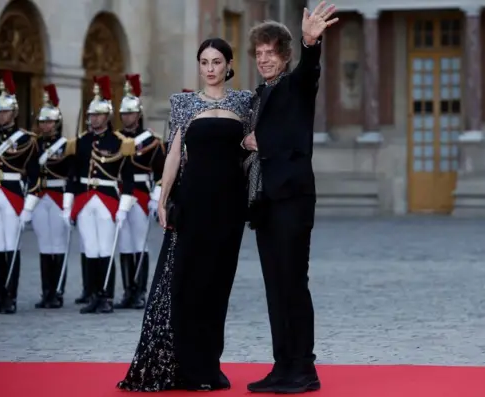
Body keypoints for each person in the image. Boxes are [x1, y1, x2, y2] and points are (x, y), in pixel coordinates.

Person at [117, 37, 251, 392]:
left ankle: (209, 366)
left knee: (217, 287)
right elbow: (174, 154)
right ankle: (187, 368)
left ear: (228, 64)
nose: (210, 68)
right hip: (193, 204)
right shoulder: (183, 103)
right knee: (187, 284)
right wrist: (162, 199)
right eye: (204, 62)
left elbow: (252, 148)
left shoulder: (245, 101)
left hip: (230, 206)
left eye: (217, 62)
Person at [241, 2, 338, 393]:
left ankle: (304, 369)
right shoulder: (259, 95)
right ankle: (282, 367)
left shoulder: (294, 86)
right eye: (259, 54)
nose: (264, 59)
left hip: (293, 201)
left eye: (271, 53)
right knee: (275, 286)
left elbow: (309, 72)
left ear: (285, 56)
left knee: (293, 283)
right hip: (266, 203)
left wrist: (311, 42)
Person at [62, 75, 136, 314]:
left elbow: (128, 177)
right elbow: (72, 175)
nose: (94, 119)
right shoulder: (80, 142)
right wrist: (67, 205)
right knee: (91, 248)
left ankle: (106, 296)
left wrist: (124, 207)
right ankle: (93, 293)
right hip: (84, 199)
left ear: (107, 117)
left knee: (106, 248)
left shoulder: (119, 142)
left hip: (107, 198)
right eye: (92, 115)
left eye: (99, 115)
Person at [0, 70, 40, 314]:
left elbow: (34, 174)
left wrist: (29, 206)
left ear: (14, 113)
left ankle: (11, 297)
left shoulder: (26, 140)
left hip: (13, 195)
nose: (1, 116)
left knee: (11, 245)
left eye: (5, 111)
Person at [114, 73, 165, 310]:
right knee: (124, 244)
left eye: (131, 113)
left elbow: (161, 173)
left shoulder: (151, 140)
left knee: (139, 244)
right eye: (124, 113)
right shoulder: (114, 139)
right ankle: (127, 290)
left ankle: (140, 291)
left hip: (142, 194)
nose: (127, 118)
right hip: (118, 194)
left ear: (139, 114)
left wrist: (156, 197)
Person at [28, 84, 75, 309]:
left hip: (57, 195)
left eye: (49, 121)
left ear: (56, 123)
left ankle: (57, 292)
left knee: (58, 244)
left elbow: (70, 173)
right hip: (39, 196)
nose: (45, 125)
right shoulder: (34, 144)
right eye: (42, 122)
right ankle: (46, 291)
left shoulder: (66, 146)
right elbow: (29, 171)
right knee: (44, 245)